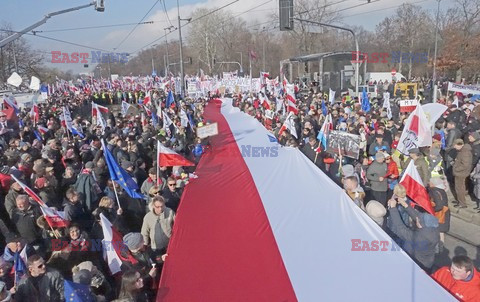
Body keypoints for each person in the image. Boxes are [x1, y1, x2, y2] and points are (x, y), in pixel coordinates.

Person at [387, 195, 440, 272]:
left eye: (419, 220)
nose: (417, 219)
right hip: (428, 261)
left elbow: (401, 228)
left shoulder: (420, 237)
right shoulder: (432, 228)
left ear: (421, 225)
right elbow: (417, 217)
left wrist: (393, 208)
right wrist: (405, 205)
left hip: (419, 265)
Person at [452, 139, 473, 208]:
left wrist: (456, 169)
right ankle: (459, 200)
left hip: (461, 173)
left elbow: (465, 165)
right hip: (461, 173)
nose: (454, 147)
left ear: (459, 144)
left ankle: (462, 203)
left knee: (460, 188)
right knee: (459, 188)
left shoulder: (465, 152)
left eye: (455, 145)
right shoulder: (463, 151)